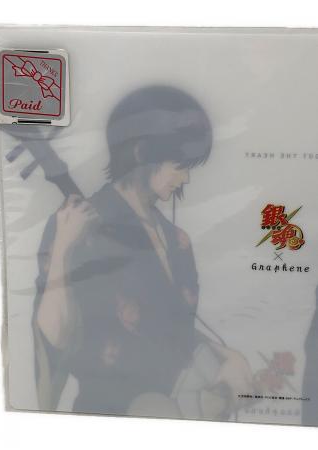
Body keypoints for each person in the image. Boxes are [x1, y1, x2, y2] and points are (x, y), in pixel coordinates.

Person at [32, 85, 254, 415]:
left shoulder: (177, 239)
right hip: (108, 414)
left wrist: (226, 355)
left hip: (180, 411)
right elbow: (53, 338)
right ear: (140, 153)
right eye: (179, 165)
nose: (186, 179)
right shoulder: (73, 225)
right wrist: (63, 247)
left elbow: (168, 330)